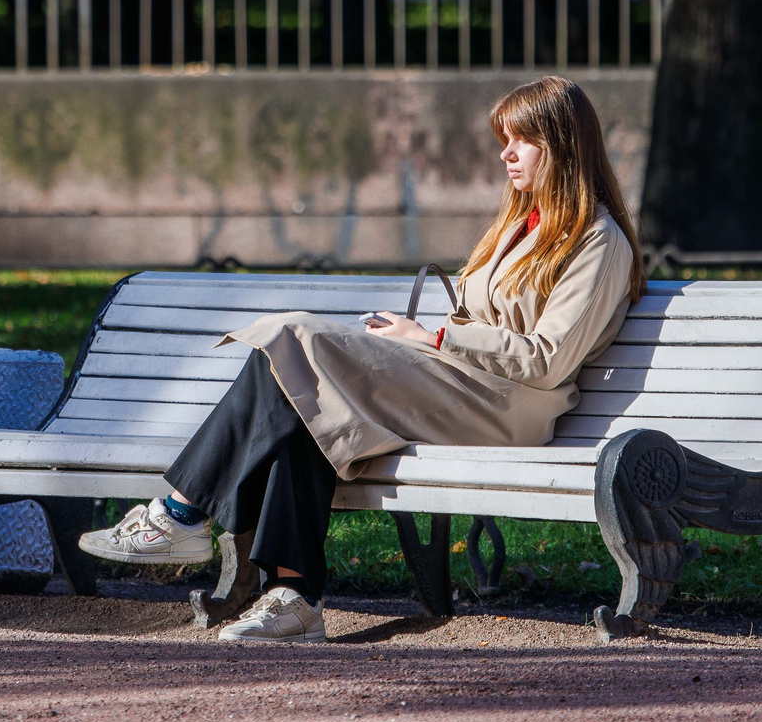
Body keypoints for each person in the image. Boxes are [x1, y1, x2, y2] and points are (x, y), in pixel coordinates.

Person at [79, 75, 646, 641]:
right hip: (461, 384)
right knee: (298, 387)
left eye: (521, 140)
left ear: (562, 145)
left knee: (294, 339)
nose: (505, 153)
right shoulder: (519, 226)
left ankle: (180, 515)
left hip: (509, 408)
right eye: (505, 138)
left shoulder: (597, 240)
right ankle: (292, 597)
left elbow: (546, 359)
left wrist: (434, 340)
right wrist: (428, 338)